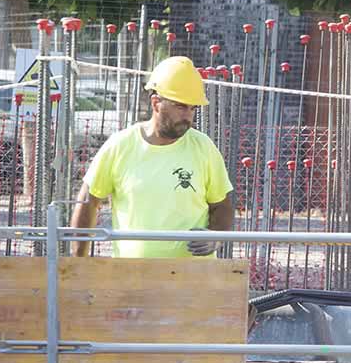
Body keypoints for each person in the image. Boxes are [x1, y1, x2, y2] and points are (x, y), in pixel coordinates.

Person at [70, 55, 234, 257]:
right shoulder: (120, 145)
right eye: (181, 106)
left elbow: (222, 206)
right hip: (132, 278)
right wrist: (78, 264)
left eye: (193, 108)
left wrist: (215, 238)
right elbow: (88, 201)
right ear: (156, 103)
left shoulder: (203, 147)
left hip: (193, 279)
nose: (188, 116)